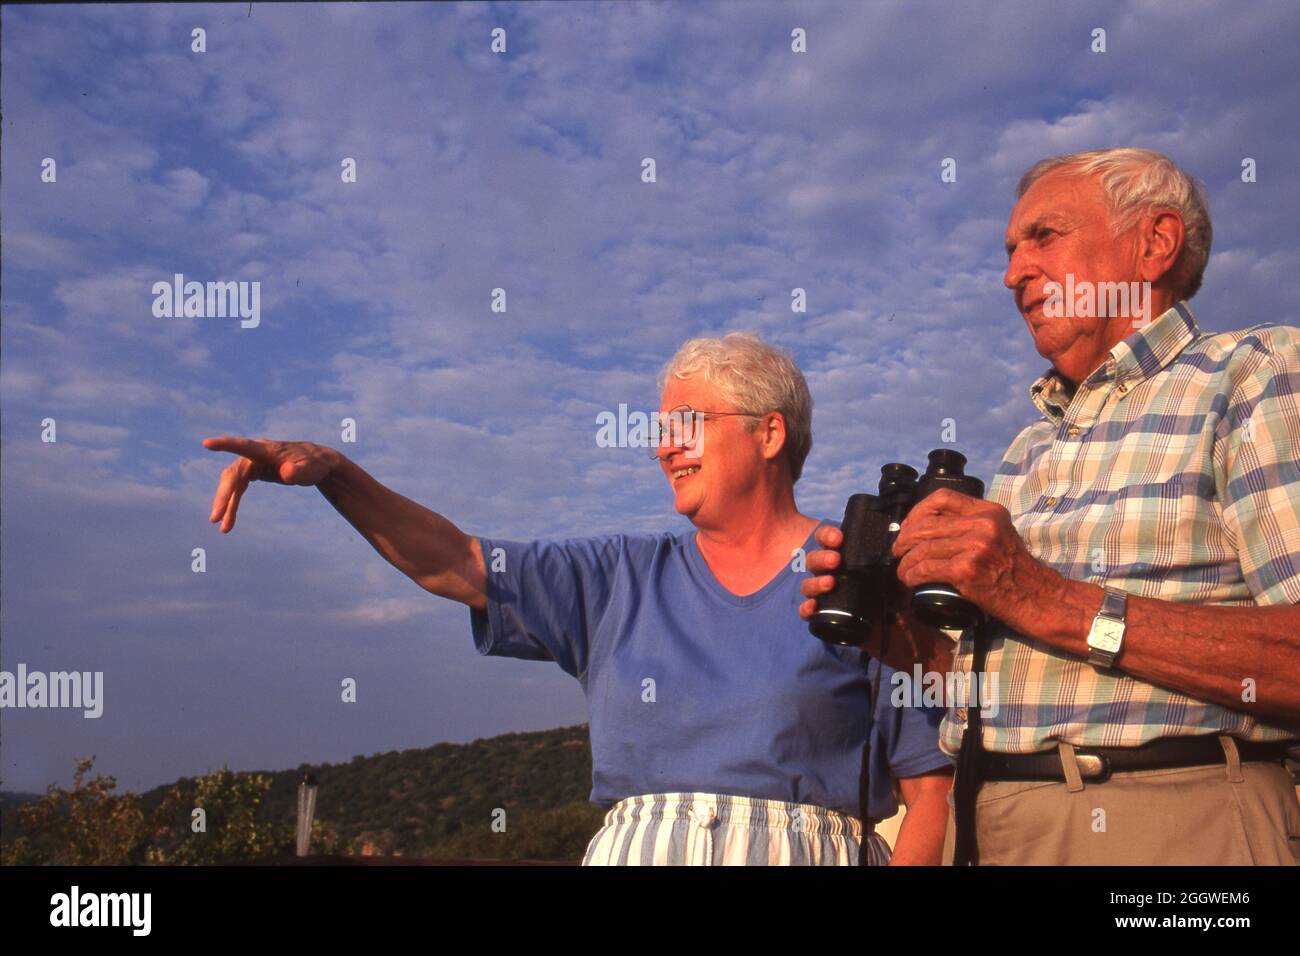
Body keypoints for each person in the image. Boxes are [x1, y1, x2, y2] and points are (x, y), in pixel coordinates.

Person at [204, 331, 953, 865]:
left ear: (769, 434)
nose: (665, 446)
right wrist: (338, 474)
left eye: (688, 424)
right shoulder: (615, 577)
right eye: (660, 431)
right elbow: (456, 562)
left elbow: (930, 794)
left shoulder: (857, 578)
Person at [802, 147, 1300, 865]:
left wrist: (1041, 596)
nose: (1012, 274)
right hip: (984, 824)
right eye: (1009, 251)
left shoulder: (1255, 374)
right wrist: (902, 643)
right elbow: (1004, 684)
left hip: (1169, 827)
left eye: (1044, 237)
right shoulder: (1027, 449)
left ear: (1154, 244)